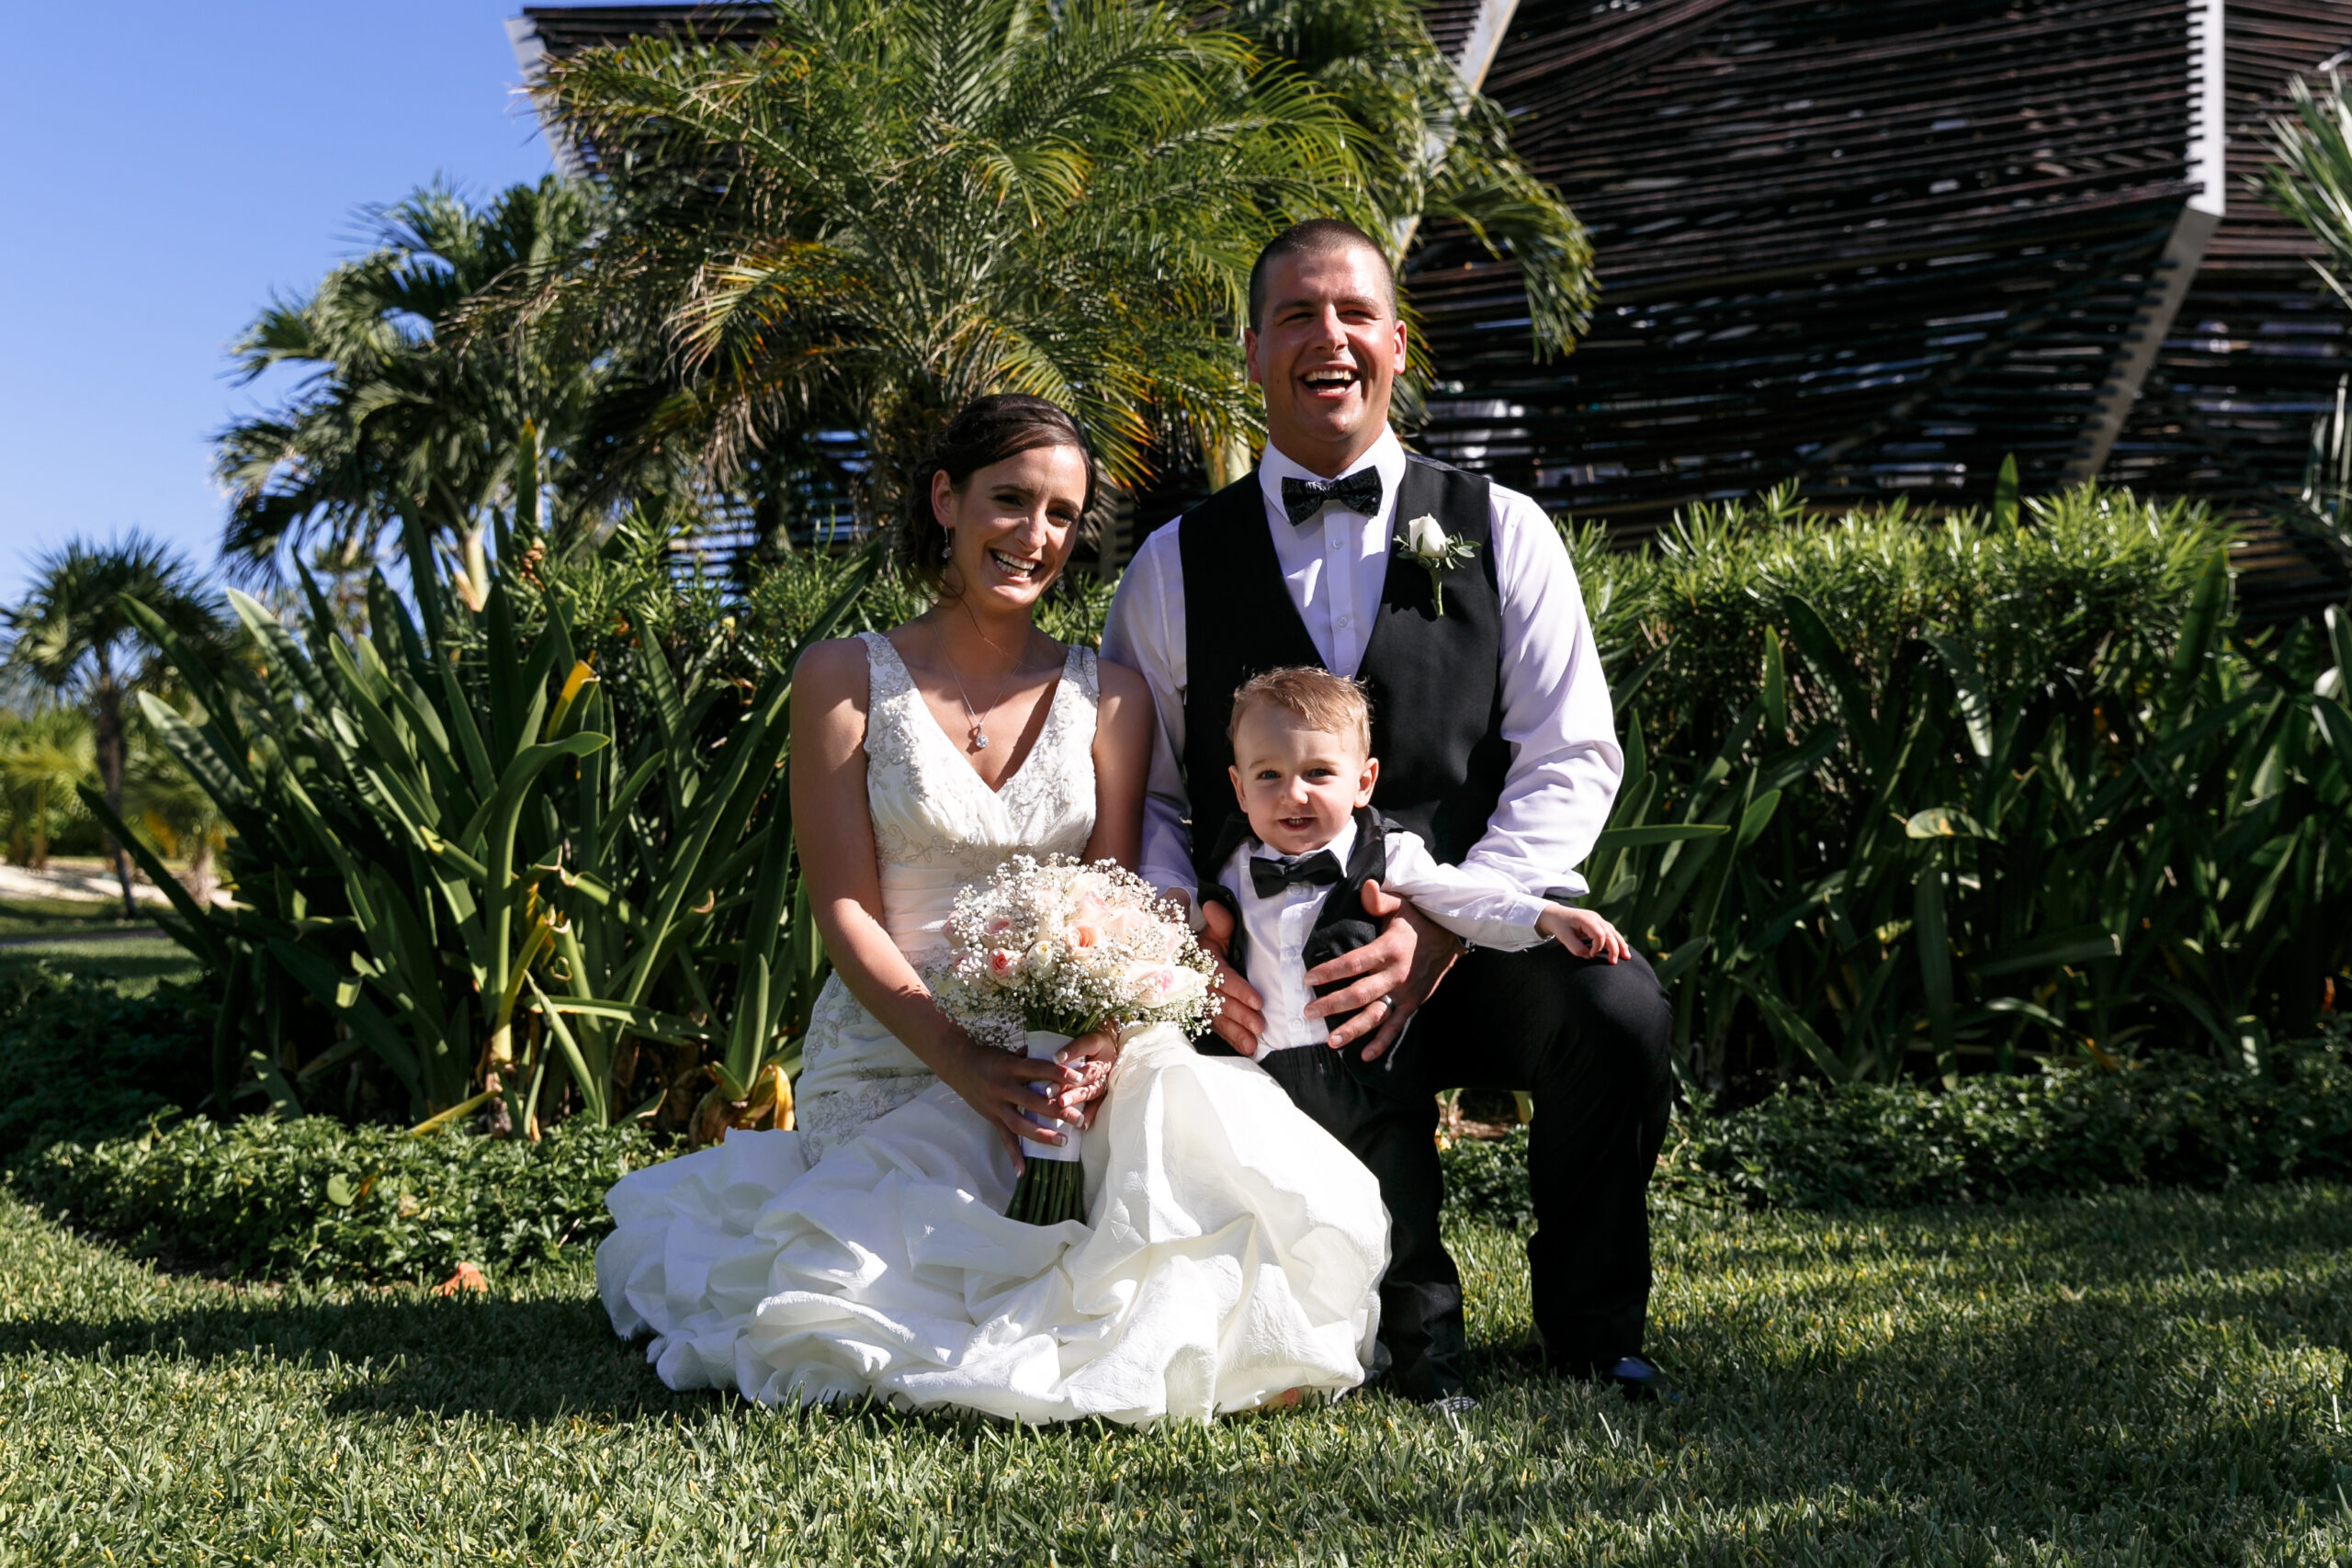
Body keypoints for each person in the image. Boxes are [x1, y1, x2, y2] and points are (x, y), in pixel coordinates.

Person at [596, 394, 1390, 1424]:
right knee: (876, 1273)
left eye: (1061, 514)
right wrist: (963, 1063)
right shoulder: (841, 678)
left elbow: (1112, 898)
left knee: (1192, 1173)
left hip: (1070, 1038)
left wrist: (1097, 1040)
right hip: (897, 1041)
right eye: (1010, 501)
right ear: (945, 500)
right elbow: (844, 909)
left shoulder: (1112, 697)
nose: (1034, 535)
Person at [1101, 220, 1679, 1405]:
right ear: (1254, 351)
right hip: (1258, 965)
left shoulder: (1505, 527)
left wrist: (1449, 924)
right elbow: (1149, 792)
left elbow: (1572, 754)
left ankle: (1592, 1323)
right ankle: (1270, 1318)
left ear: (1398, 344)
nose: (1331, 337)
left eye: (1356, 312)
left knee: (1618, 1007)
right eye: (1300, 316)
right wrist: (1191, 949)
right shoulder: (1169, 563)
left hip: (1462, 953)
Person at [1199, 666, 1631, 1076]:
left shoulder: (1386, 852)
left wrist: (1542, 915)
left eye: (1317, 773)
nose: (1294, 793)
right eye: (1269, 775)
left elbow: (1461, 900)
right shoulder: (1230, 868)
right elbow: (1182, 935)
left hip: (1370, 1082)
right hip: (1259, 1080)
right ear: (1239, 789)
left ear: (1363, 782)